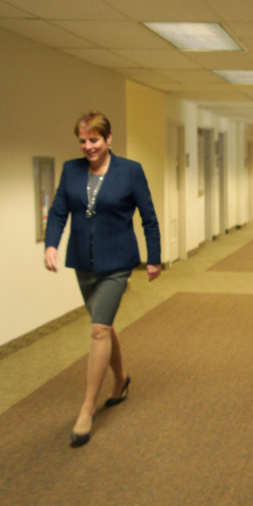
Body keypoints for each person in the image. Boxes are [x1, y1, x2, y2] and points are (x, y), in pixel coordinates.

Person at [44, 111, 161, 447]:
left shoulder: (130, 171)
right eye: (83, 141)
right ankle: (121, 378)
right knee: (104, 325)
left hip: (118, 262)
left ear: (108, 140)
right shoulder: (71, 169)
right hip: (83, 262)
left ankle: (86, 409)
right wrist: (52, 244)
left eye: (94, 140)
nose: (88, 147)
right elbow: (58, 211)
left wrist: (154, 258)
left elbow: (148, 218)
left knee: (97, 330)